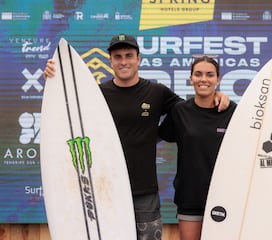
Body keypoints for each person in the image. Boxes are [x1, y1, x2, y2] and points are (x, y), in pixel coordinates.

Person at [43, 34, 230, 240]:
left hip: (145, 191)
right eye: (118, 56)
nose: (124, 61)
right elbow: (66, 113)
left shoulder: (157, 92)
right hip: (105, 188)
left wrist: (219, 96)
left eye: (129, 55)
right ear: (110, 60)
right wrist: (54, 77)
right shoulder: (96, 95)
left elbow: (192, 109)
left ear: (138, 58)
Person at [158, 56, 272, 240]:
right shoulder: (180, 111)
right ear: (191, 79)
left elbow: (260, 131)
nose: (203, 79)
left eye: (209, 74)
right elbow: (157, 135)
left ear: (218, 79)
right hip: (191, 195)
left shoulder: (233, 112)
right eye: (198, 74)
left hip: (227, 195)